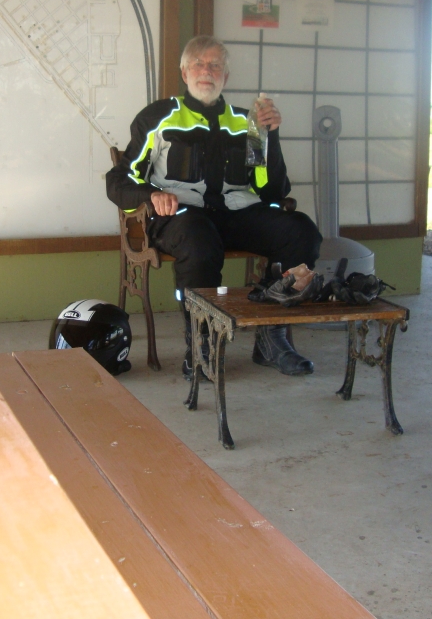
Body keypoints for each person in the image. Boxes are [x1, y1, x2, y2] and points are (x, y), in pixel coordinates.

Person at [106, 35, 323, 377]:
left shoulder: (246, 122)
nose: (206, 71)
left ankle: (272, 335)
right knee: (198, 237)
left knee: (301, 231)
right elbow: (120, 179)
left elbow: (271, 190)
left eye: (215, 65)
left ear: (226, 76)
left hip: (236, 212)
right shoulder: (159, 117)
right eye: (198, 64)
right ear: (184, 71)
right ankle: (201, 343)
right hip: (180, 216)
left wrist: (270, 135)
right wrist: (150, 195)